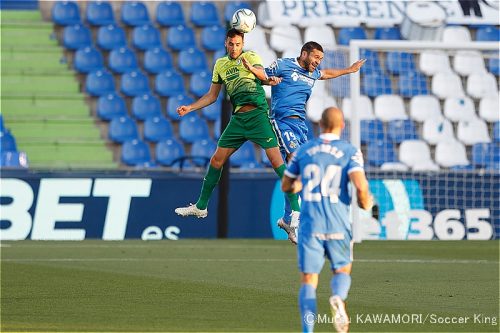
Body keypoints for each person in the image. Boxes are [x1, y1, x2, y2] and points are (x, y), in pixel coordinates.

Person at [243, 41, 365, 244]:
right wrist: (251, 69)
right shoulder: (284, 65)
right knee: (297, 162)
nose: (318, 62)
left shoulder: (313, 74)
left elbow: (326, 74)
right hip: (282, 122)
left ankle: (286, 218)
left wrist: (349, 70)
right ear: (304, 53)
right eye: (316, 57)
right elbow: (264, 74)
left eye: (320, 59)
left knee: (298, 170)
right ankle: (297, 219)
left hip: (301, 126)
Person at [174, 28, 300, 223]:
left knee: (277, 162)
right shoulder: (220, 64)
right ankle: (200, 206)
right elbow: (212, 96)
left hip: (258, 116)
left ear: (243, 44)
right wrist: (190, 107)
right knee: (216, 160)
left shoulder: (250, 56)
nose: (234, 48)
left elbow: (260, 75)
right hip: (238, 120)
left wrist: (268, 79)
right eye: (231, 44)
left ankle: (297, 211)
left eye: (238, 44)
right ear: (226, 43)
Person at [281, 107, 374, 333]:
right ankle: (338, 298)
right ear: (342, 126)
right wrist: (365, 203)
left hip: (310, 225)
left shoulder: (304, 151)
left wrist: (301, 183)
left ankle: (307, 331)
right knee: (342, 271)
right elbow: (360, 187)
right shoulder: (350, 151)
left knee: (309, 280)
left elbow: (286, 185)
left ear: (320, 125)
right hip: (338, 224)